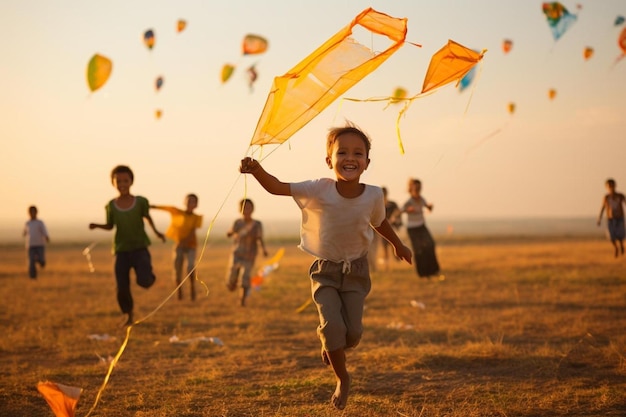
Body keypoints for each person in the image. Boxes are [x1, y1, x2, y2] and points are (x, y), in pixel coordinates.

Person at [239, 123, 412, 410]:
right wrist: (256, 169)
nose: (350, 158)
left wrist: (397, 244)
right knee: (333, 327)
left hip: (356, 271)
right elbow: (277, 187)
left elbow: (378, 221)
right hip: (326, 271)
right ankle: (342, 378)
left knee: (352, 334)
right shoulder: (319, 189)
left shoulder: (373, 195)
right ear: (329, 160)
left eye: (358, 153)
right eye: (342, 152)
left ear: (367, 162)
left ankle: (332, 345)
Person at [89, 165, 165, 327]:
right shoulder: (111, 206)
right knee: (121, 286)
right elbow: (110, 226)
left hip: (140, 248)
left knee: (144, 281)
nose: (122, 184)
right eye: (118, 181)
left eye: (125, 180)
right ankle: (128, 315)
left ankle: (150, 278)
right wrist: (97, 225)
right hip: (121, 251)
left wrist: (157, 233)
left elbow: (148, 218)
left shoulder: (140, 202)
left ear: (131, 182)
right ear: (113, 183)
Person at [151, 194, 203, 301]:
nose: (190, 204)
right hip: (179, 246)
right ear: (184, 202)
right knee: (177, 270)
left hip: (191, 246)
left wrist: (183, 242)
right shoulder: (177, 212)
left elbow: (192, 231)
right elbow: (166, 208)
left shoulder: (197, 218)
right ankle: (179, 291)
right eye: (189, 201)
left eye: (193, 202)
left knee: (190, 267)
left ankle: (192, 287)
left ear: (196, 205)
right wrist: (151, 206)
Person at [225, 198, 268, 307]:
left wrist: (264, 249)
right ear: (239, 210)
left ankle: (242, 300)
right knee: (231, 279)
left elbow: (260, 238)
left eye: (248, 207)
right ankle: (233, 284)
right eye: (244, 207)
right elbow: (230, 232)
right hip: (237, 253)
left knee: (245, 277)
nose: (246, 210)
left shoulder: (257, 224)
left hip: (250, 255)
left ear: (253, 209)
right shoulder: (237, 222)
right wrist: (230, 233)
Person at [403, 178, 441, 279]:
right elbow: (402, 210)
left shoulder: (422, 199)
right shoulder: (409, 201)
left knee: (430, 245)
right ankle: (423, 273)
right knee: (418, 250)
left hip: (421, 226)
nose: (418, 189)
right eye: (416, 187)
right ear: (411, 188)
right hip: (412, 228)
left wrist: (429, 207)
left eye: (419, 187)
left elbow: (427, 207)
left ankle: (433, 270)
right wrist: (408, 210)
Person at [597, 178, 626, 257]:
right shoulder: (606, 197)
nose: (611, 187)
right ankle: (616, 247)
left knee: (620, 234)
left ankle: (621, 245)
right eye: (609, 185)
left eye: (612, 185)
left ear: (615, 185)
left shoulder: (620, 196)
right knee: (611, 235)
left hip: (619, 217)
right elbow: (603, 207)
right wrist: (599, 218)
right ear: (606, 187)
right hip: (610, 218)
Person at [23, 205, 50, 279]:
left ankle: (40, 261)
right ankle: (33, 277)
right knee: (31, 262)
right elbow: (25, 232)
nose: (32, 214)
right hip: (30, 245)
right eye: (30, 212)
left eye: (33, 212)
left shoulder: (40, 222)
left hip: (40, 244)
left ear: (36, 213)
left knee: (41, 260)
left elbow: (44, 231)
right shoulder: (27, 223)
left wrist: (46, 237)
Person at [380, 186, 403, 271]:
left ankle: (395, 259)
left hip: (391, 228)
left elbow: (398, 212)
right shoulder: (379, 205)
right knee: (385, 248)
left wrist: (395, 220)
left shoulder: (392, 204)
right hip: (383, 229)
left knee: (393, 245)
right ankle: (387, 266)